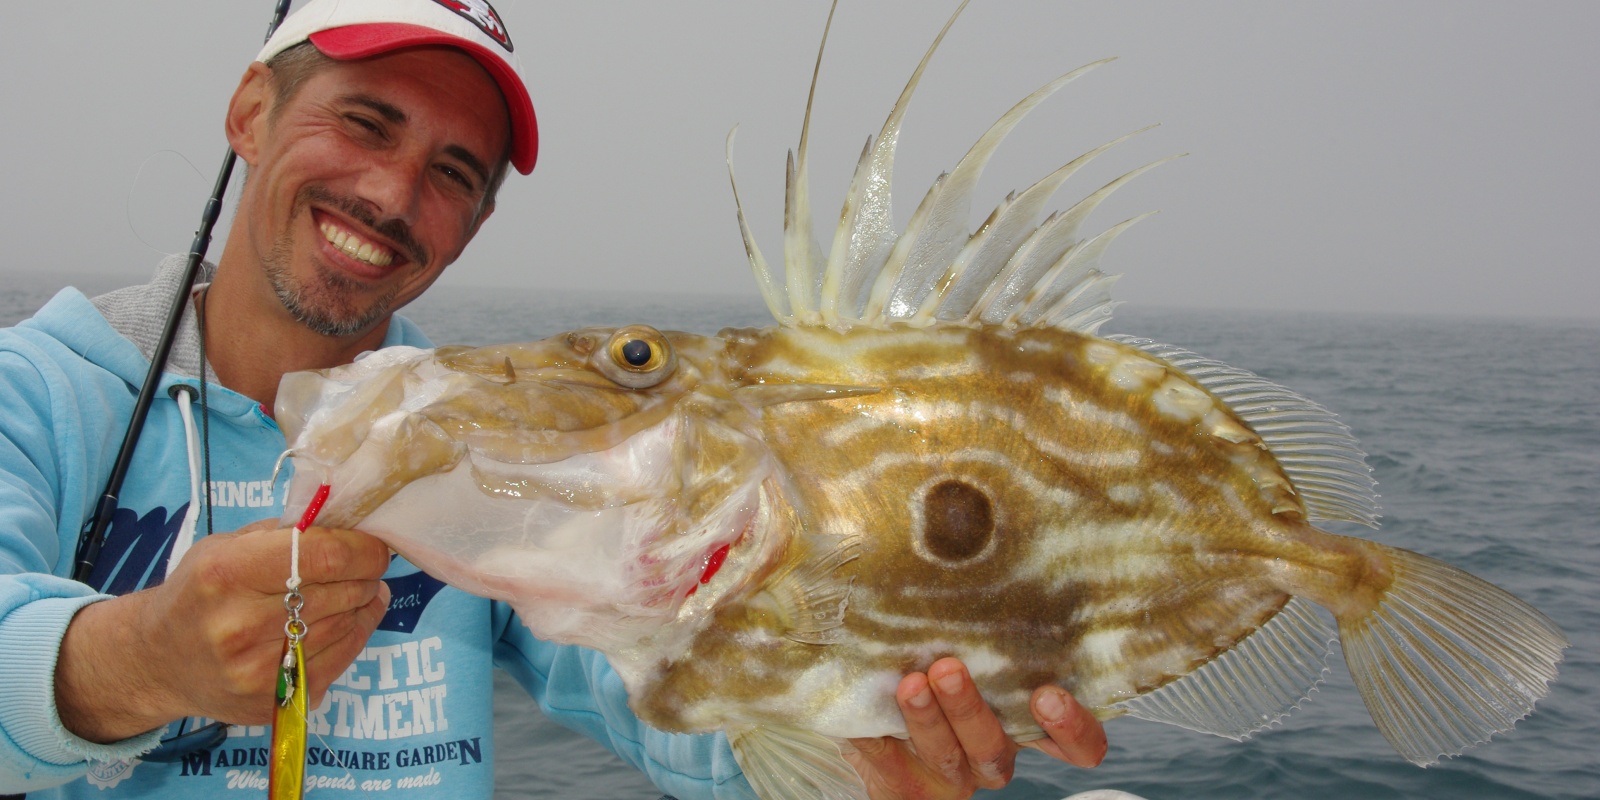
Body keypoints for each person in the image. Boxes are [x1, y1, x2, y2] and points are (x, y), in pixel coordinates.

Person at [0, 1, 1107, 797]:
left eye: (452, 172)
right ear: (248, 112)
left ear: (472, 225)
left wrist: (866, 760)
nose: (391, 194)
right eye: (364, 122)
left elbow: (674, 700)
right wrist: (136, 657)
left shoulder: (481, 459)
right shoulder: (41, 394)